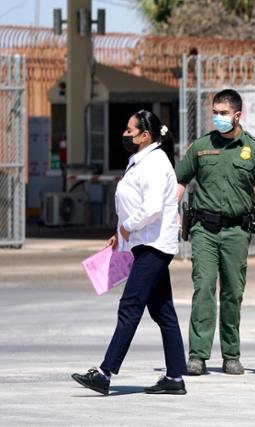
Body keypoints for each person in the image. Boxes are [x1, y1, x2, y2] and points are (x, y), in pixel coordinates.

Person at [72, 110, 187, 396]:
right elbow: (133, 203)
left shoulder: (155, 164)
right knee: (163, 311)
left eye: (129, 130)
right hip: (145, 242)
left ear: (145, 136)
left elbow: (152, 209)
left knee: (130, 306)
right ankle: (174, 378)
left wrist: (128, 227)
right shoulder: (142, 162)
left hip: (154, 246)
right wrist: (120, 233)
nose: (125, 135)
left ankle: (105, 372)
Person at [176, 89, 255, 376]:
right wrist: (172, 215)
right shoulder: (200, 147)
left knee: (233, 292)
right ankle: (198, 355)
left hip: (237, 232)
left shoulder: (254, 149)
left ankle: (231, 354)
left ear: (238, 115)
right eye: (215, 112)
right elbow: (180, 181)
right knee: (204, 288)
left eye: (223, 113)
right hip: (204, 231)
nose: (218, 118)